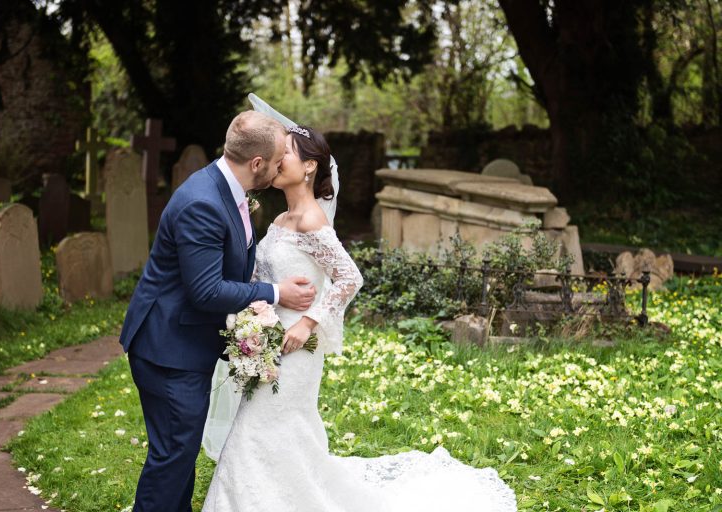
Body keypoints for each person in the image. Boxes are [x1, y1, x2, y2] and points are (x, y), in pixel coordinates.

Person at [201, 98, 517, 511]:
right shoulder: (279, 222)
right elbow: (262, 278)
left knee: (263, 424)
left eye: (287, 156)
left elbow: (351, 277)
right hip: (268, 337)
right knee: (263, 423)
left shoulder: (313, 220)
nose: (278, 162)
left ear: (310, 166)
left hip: (299, 345)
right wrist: (252, 320)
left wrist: (308, 322)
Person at [119, 110, 318, 512]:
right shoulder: (203, 203)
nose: (284, 165)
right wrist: (276, 292)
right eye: (279, 159)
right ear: (257, 163)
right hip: (167, 348)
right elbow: (206, 291)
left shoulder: (227, 189)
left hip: (184, 343)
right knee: (172, 454)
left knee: (180, 451)